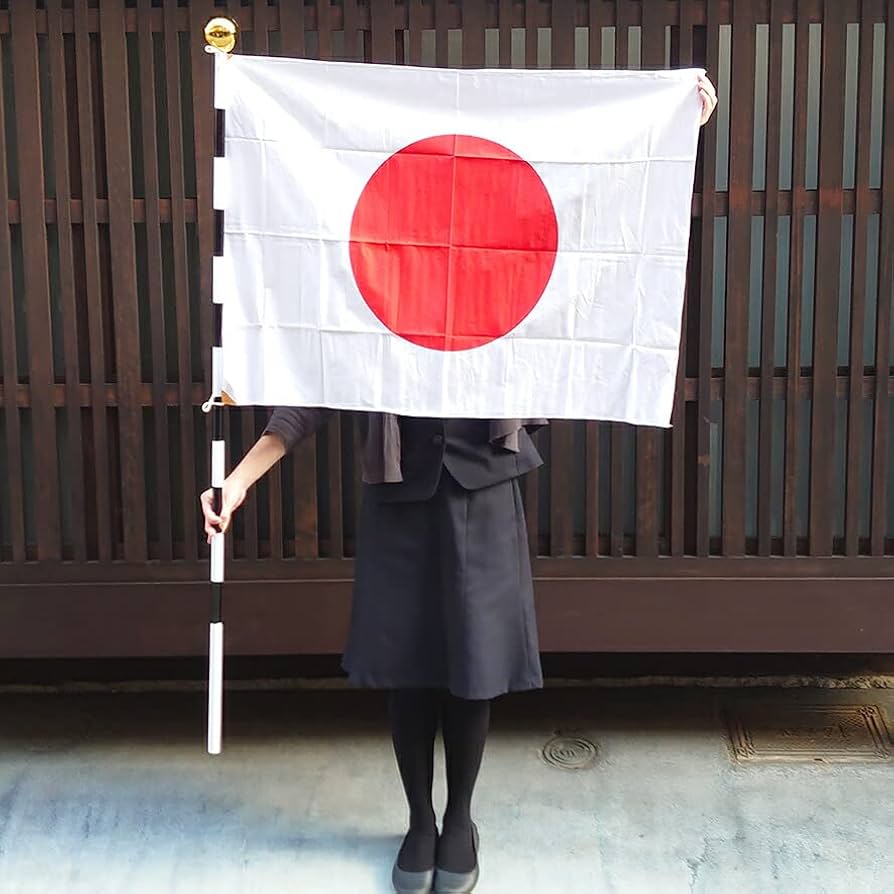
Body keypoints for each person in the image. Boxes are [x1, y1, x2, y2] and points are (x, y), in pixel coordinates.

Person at [200, 75, 718, 894]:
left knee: (473, 664)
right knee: (411, 666)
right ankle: (417, 818)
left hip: (484, 487)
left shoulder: (502, 262)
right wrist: (235, 482)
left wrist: (664, 126)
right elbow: (312, 386)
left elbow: (581, 263)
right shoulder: (375, 277)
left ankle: (463, 815)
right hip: (400, 492)